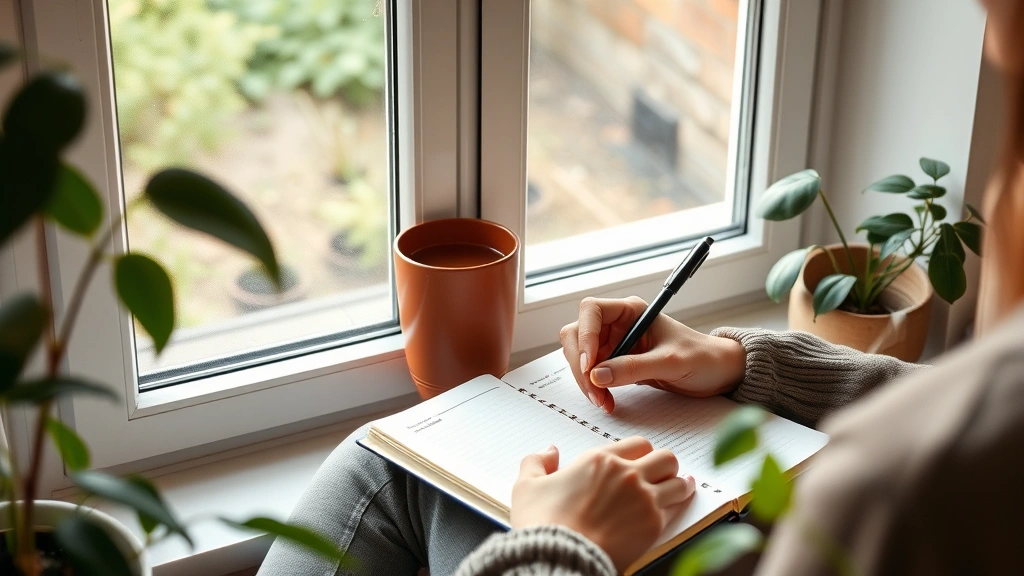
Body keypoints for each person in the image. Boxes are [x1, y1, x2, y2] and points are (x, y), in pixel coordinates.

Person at [258, 1, 1024, 573]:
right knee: (404, 463)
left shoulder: (891, 501)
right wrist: (740, 361)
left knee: (394, 477)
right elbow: (934, 400)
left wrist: (561, 551)